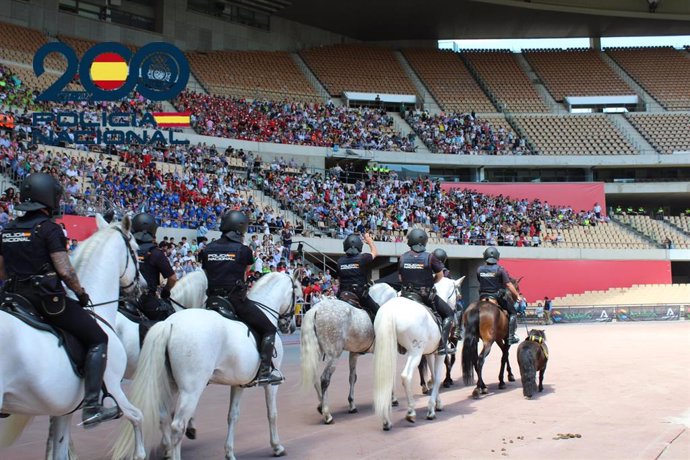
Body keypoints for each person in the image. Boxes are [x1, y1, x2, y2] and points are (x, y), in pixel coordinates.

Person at [0, 173, 118, 427]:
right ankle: (92, 407)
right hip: (45, 300)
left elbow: (1, 270)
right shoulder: (49, 228)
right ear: (48, 198)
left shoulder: (8, 229)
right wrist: (82, 294)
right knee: (99, 338)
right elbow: (65, 270)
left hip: (12, 298)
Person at [199, 210, 283, 386]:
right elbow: (246, 272)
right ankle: (265, 372)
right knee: (268, 328)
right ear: (241, 229)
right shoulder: (243, 250)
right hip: (235, 302)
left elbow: (207, 272)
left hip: (212, 301)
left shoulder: (208, 249)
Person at [398, 229, 455, 354]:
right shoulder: (430, 257)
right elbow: (440, 276)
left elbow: (400, 278)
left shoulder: (402, 257)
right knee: (449, 314)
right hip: (425, 295)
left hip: (406, 295)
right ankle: (442, 346)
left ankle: (399, 343)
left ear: (410, 241)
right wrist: (431, 283)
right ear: (424, 241)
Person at [131, 213, 177, 321]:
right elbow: (172, 278)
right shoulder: (156, 253)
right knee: (168, 321)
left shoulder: (126, 249)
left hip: (123, 298)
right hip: (145, 299)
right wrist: (166, 291)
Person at [477, 246, 520, 344]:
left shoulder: (479, 269)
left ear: (485, 256)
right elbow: (508, 284)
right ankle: (511, 337)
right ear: (497, 257)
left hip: (482, 297)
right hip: (496, 297)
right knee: (513, 312)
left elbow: (480, 281)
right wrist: (517, 296)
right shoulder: (500, 269)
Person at [336, 233, 380, 319]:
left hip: (343, 294)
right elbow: (375, 253)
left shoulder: (340, 261)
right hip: (360, 294)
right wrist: (370, 241)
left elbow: (339, 279)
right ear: (359, 246)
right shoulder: (363, 258)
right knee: (379, 312)